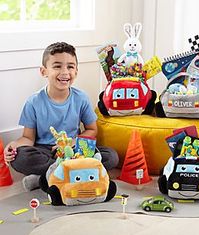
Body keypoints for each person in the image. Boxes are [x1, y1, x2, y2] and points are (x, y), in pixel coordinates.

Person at [3, 42, 119, 191]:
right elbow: (28, 138)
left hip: (73, 150)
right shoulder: (34, 102)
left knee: (111, 156)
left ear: (76, 71)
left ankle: (46, 177)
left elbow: (92, 130)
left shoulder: (81, 98)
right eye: (57, 66)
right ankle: (72, 173)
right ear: (44, 71)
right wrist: (14, 145)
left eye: (70, 66)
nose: (65, 72)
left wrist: (73, 142)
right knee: (21, 157)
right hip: (46, 151)